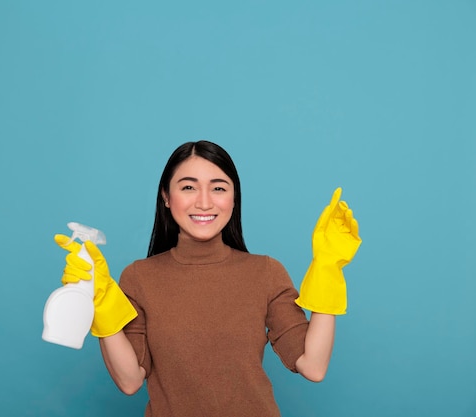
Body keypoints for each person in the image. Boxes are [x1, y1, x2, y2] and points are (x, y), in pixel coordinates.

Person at [55, 140, 362, 417]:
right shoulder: (139, 278)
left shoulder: (265, 273)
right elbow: (130, 380)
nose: (204, 202)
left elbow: (313, 366)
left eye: (218, 188)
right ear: (166, 196)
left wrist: (327, 269)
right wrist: (102, 304)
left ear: (233, 198)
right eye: (188, 187)